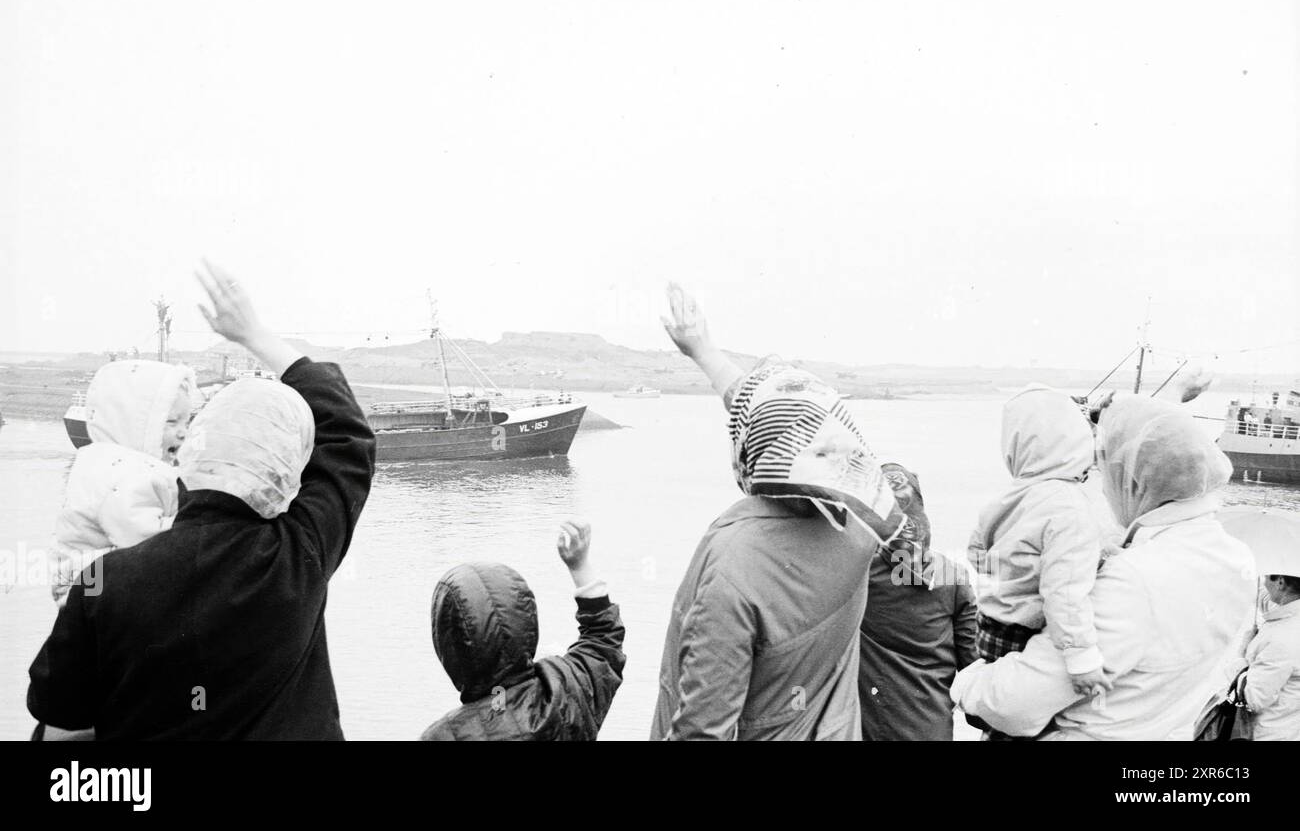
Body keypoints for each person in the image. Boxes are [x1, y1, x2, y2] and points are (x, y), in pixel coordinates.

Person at [27, 260, 376, 740]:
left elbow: (58, 714)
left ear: (194, 452)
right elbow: (347, 434)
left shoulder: (106, 579)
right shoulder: (300, 554)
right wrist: (256, 335)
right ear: (281, 470)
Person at [650, 284, 907, 740]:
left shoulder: (734, 567)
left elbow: (702, 731)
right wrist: (706, 353)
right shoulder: (860, 528)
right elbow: (790, 427)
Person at [951, 396, 1256, 740]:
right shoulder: (1238, 559)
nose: (1104, 492)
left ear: (1135, 481)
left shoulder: (1134, 579)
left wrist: (967, 683)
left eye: (1106, 474)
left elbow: (1014, 703)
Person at [967, 386, 1109, 709]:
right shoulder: (1069, 508)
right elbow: (1065, 591)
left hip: (988, 627)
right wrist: (1082, 658)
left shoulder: (1006, 498)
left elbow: (977, 555)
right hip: (1025, 634)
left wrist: (1014, 572)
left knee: (999, 716)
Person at [421, 520, 626, 741]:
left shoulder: (443, 736)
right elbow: (603, 640)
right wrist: (579, 566)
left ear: (449, 647)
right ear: (527, 622)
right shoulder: (566, 693)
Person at [49, 359, 197, 606]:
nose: (183, 432)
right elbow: (146, 541)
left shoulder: (110, 463)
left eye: (187, 422)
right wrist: (197, 524)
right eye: (171, 422)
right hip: (92, 591)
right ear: (134, 423)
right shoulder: (123, 475)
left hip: (88, 585)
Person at [858, 463, 978, 741]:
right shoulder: (952, 576)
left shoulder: (857, 575)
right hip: (931, 729)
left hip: (869, 728)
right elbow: (972, 666)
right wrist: (978, 717)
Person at [1235, 574, 1300, 740]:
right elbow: (1264, 597)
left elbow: (1254, 698)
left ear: (1280, 582)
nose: (1263, 582)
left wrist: (1241, 655)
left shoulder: (1284, 636)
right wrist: (1241, 578)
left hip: (1269, 735)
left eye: (1266, 578)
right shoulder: (1290, 614)